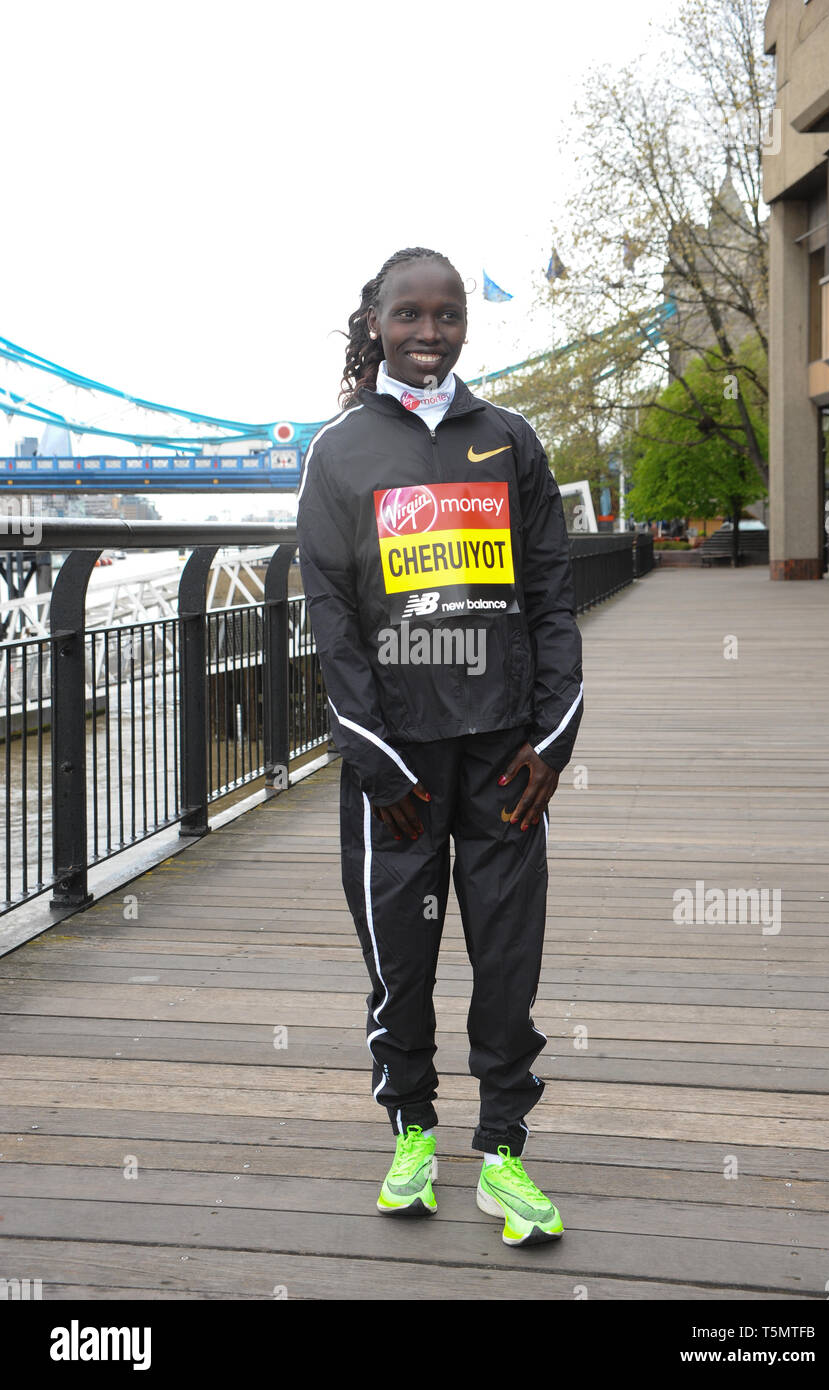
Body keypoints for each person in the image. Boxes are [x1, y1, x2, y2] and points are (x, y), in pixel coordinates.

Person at [297, 247, 584, 1247]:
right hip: (398, 771)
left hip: (507, 758)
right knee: (401, 963)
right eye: (409, 315)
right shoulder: (338, 454)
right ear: (375, 320)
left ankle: (503, 1148)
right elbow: (333, 620)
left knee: (508, 958)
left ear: (466, 324)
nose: (429, 333)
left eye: (447, 315)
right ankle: (411, 1128)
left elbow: (551, 598)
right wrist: (375, 758)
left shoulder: (507, 440)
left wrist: (552, 740)